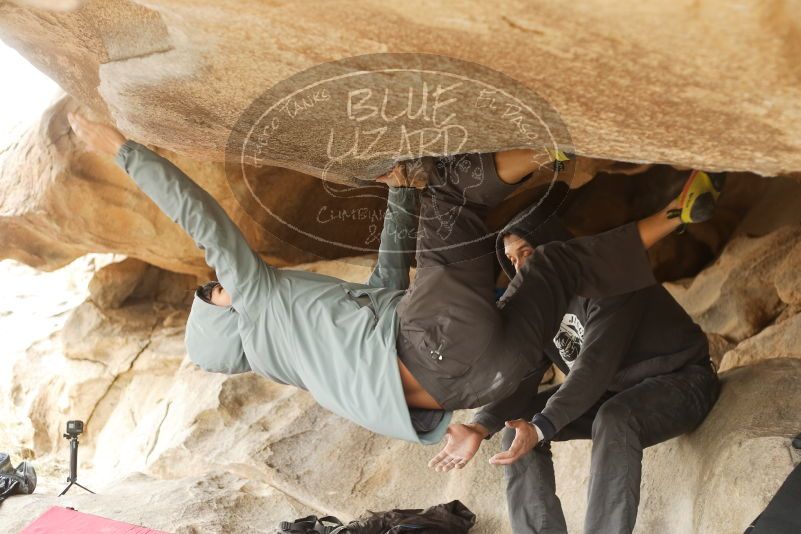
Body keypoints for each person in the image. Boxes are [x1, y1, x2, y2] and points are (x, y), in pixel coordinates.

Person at [67, 112, 692, 446]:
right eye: (211, 293)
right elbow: (203, 221)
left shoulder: (305, 353)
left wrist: (398, 195)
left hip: (483, 378)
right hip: (439, 349)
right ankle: (557, 140)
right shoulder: (262, 308)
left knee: (557, 268)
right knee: (451, 192)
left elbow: (387, 281)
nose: (215, 282)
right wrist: (121, 148)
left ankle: (678, 212)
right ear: (225, 314)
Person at [427, 180, 722, 534]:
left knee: (614, 418)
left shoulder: (609, 280)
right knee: (516, 428)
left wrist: (544, 427)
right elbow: (521, 377)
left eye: (527, 253)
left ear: (554, 247)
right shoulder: (536, 307)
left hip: (682, 380)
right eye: (512, 260)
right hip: (614, 391)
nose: (521, 268)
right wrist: (481, 425)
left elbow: (594, 366)